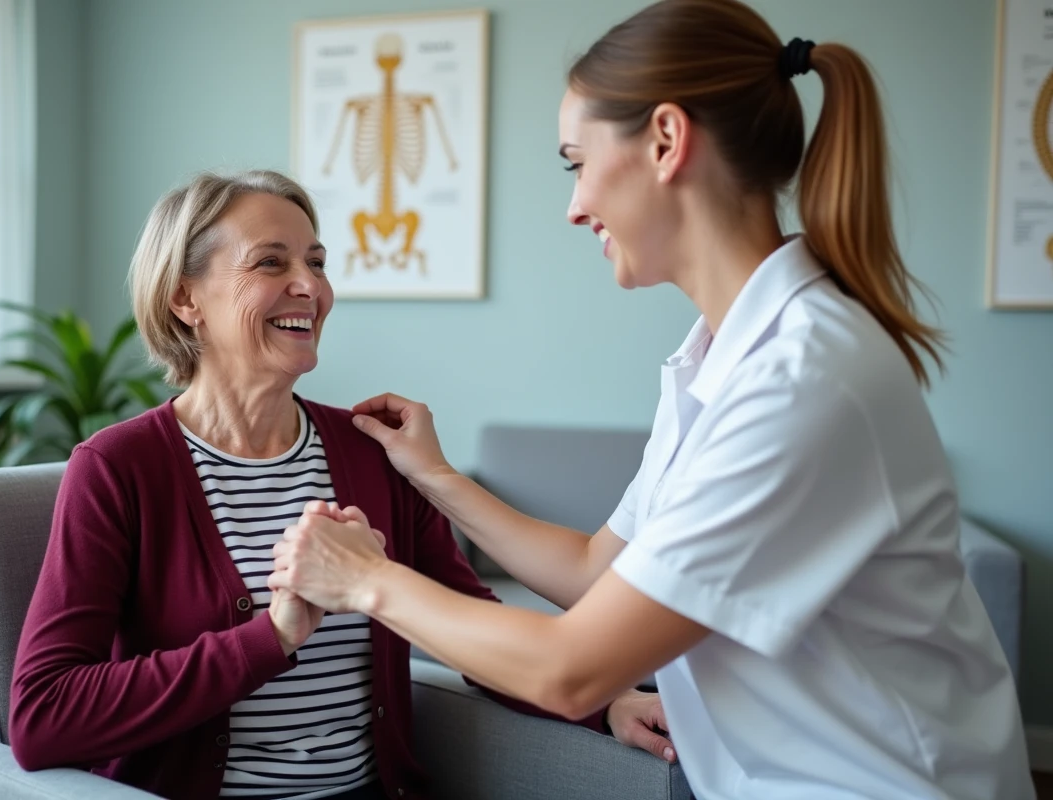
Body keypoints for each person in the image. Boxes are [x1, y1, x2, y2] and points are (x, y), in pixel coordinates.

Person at [267, 1, 1036, 798]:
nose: (573, 206)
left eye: (576, 162)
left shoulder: (801, 378)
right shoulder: (718, 353)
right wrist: (437, 476)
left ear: (666, 140)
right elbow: (602, 571)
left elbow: (570, 669)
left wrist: (366, 580)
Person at [7, 170, 655, 800]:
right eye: (270, 263)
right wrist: (272, 637)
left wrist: (603, 707)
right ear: (186, 299)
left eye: (317, 263)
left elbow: (473, 628)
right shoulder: (119, 468)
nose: (309, 286)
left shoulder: (372, 450)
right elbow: (43, 718)